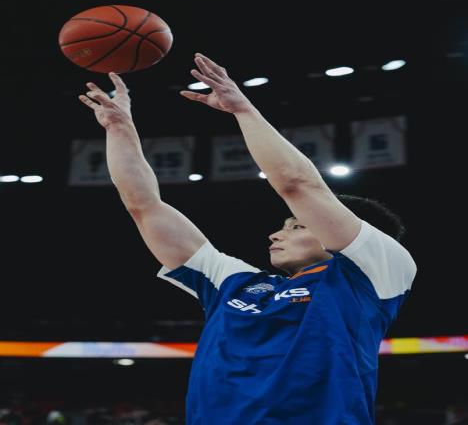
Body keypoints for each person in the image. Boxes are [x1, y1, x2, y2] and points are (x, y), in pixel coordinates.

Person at [79, 53, 417, 425]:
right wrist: (120, 129)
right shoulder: (235, 282)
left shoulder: (376, 274)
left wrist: (242, 109)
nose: (276, 233)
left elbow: (298, 184)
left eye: (296, 226)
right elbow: (144, 206)